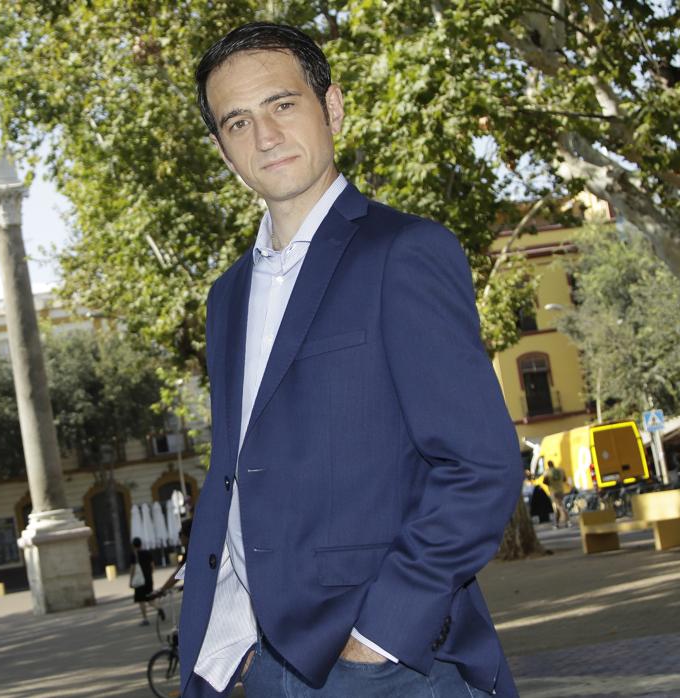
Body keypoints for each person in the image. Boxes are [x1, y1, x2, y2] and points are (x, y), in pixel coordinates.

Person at [176, 23, 523, 697]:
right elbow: (236, 477)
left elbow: (479, 465)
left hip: (385, 665)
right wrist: (225, 645)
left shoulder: (403, 253)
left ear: (330, 107)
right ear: (221, 150)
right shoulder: (227, 297)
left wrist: (379, 638)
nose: (265, 136)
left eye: (282, 105)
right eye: (237, 122)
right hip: (260, 664)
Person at [131, 537, 156, 625]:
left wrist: (131, 580)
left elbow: (133, 569)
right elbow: (153, 566)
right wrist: (150, 575)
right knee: (149, 598)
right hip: (148, 579)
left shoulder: (134, 555)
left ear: (133, 545)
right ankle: (159, 608)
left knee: (141, 600)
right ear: (141, 544)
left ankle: (145, 619)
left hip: (140, 581)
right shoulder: (147, 553)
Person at [544, 460, 572, 528]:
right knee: (556, 507)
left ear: (548, 465)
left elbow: (545, 481)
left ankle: (568, 521)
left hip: (553, 491)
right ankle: (556, 524)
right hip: (561, 490)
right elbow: (564, 479)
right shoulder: (560, 470)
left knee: (560, 506)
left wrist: (551, 483)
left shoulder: (547, 472)